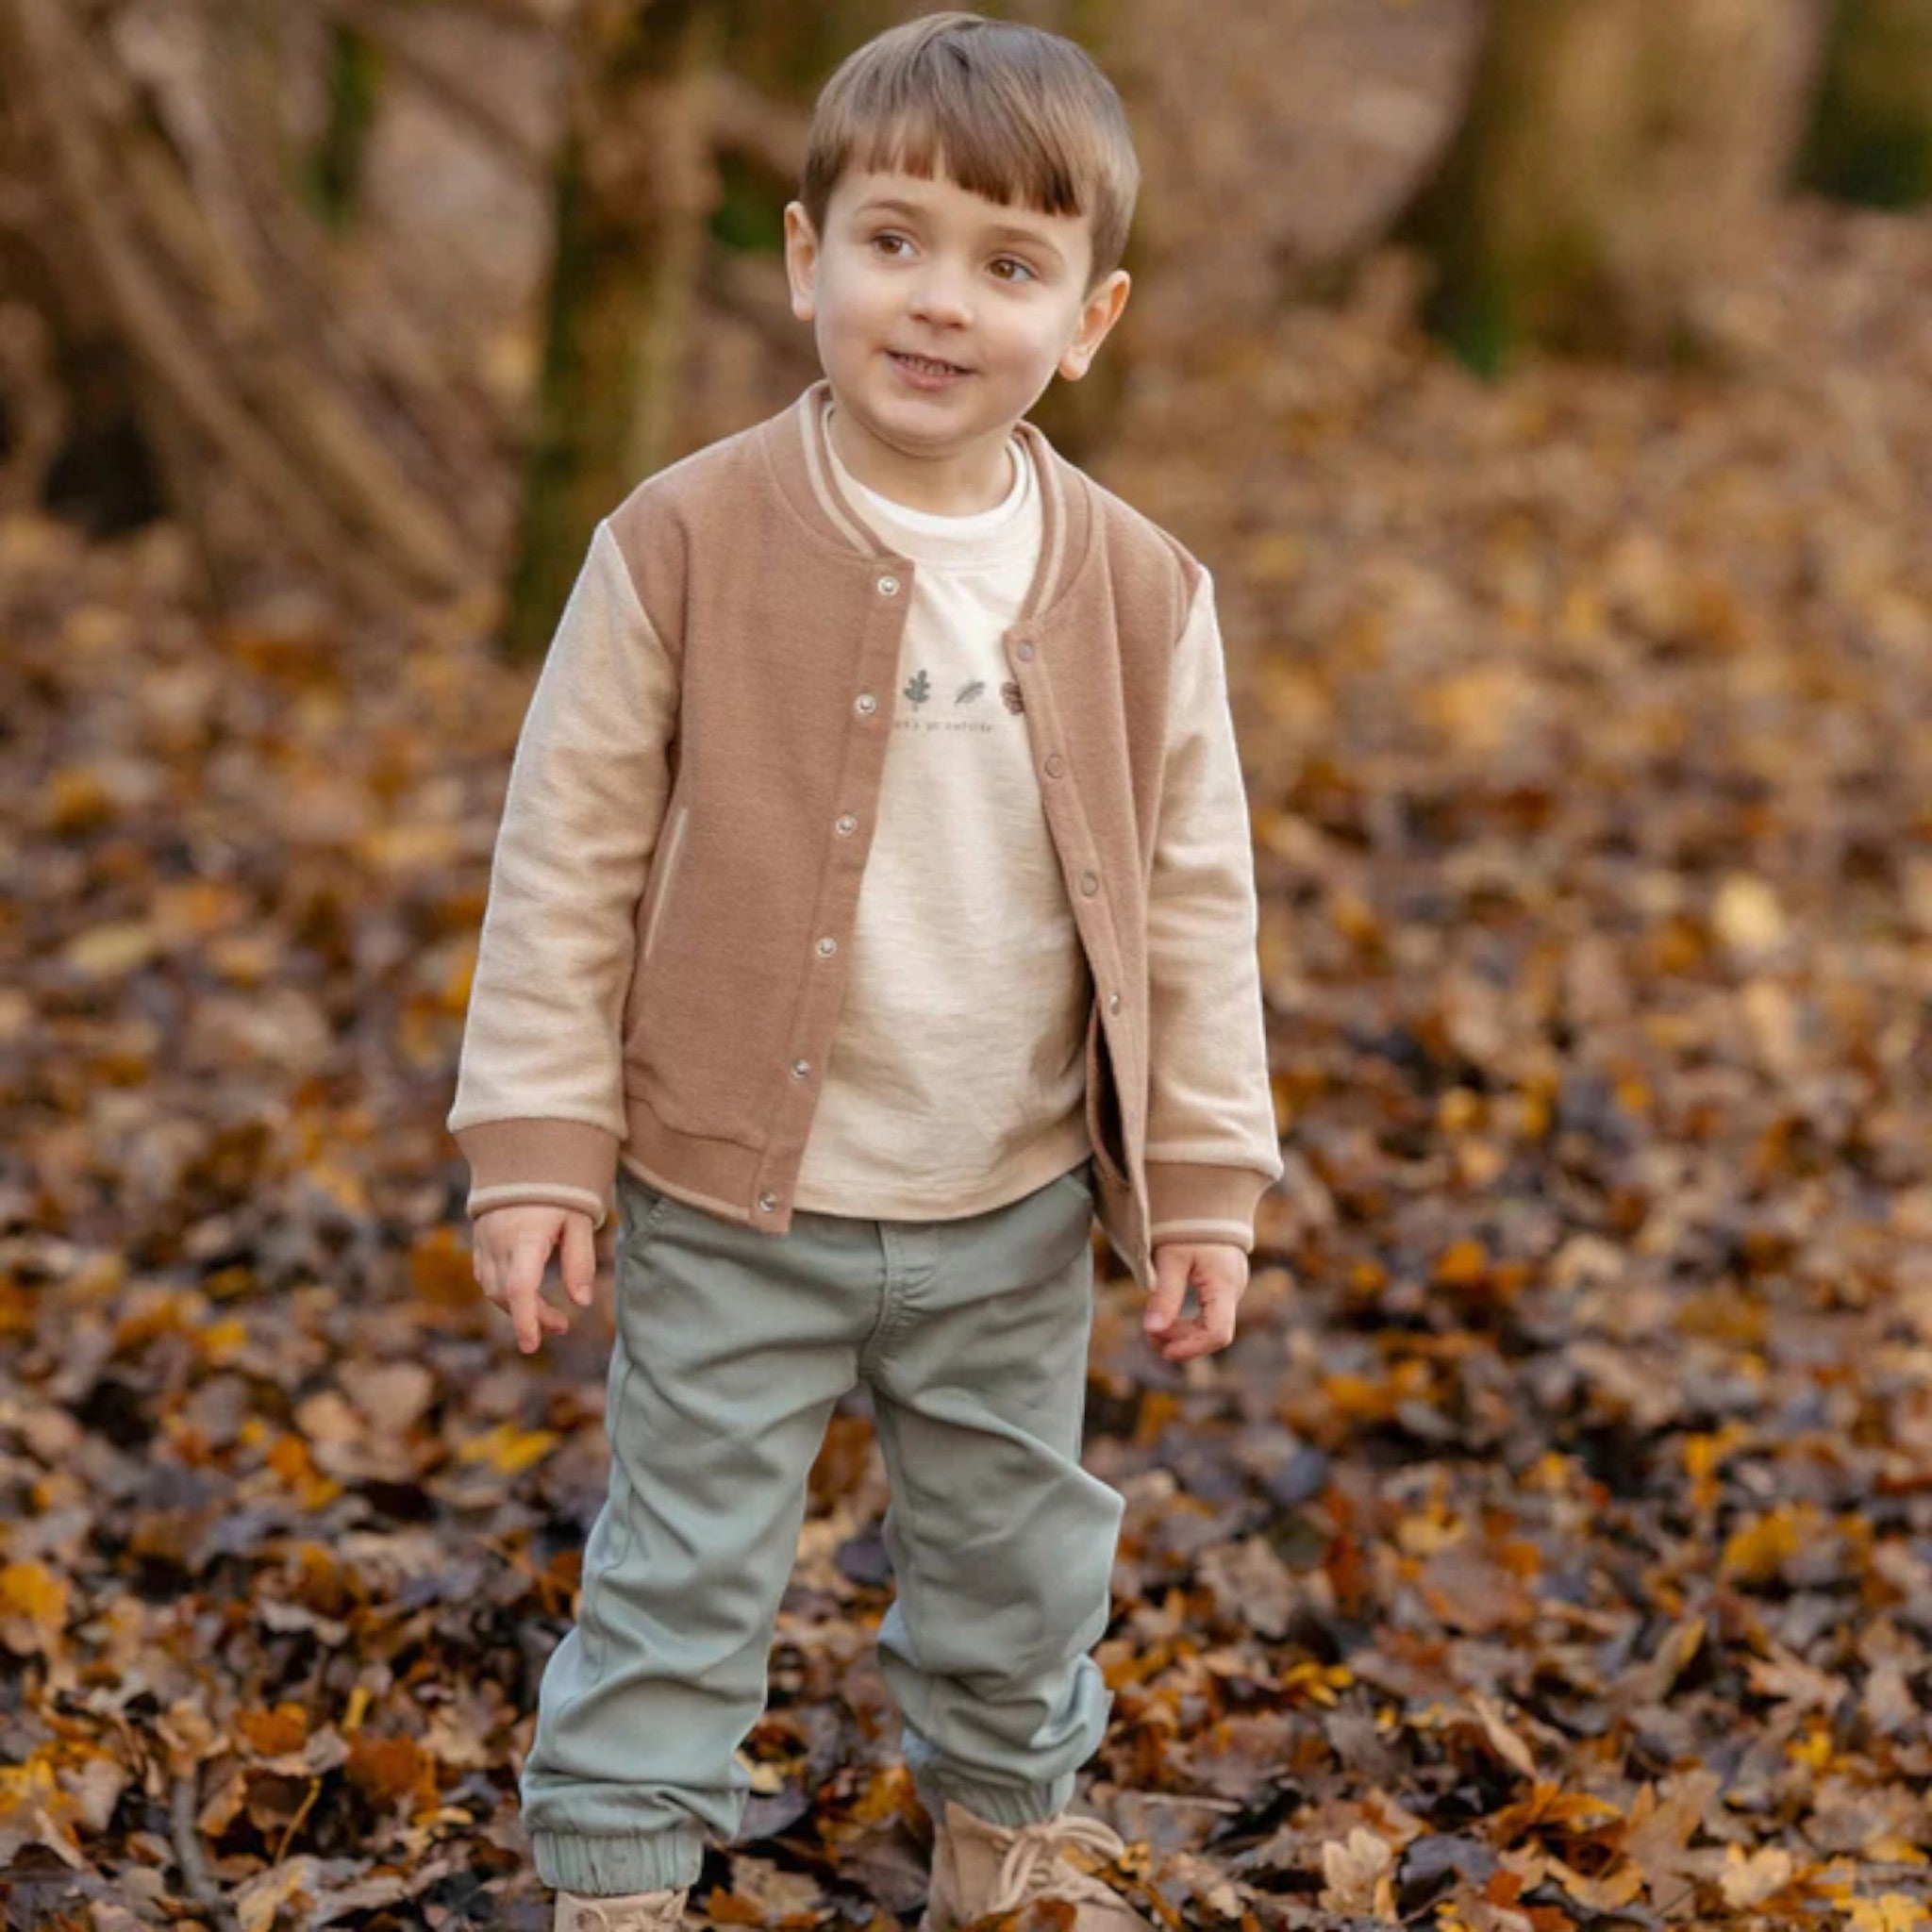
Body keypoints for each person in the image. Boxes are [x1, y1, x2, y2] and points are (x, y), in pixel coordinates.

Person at [445, 10, 1283, 1930]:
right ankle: (620, 1878)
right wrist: (538, 1146)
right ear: (806, 256)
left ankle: (1002, 1844)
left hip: (1004, 1199)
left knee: (1016, 1566)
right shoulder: (680, 541)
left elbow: (1192, 897)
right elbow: (563, 858)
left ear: (1089, 317)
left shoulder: (1143, 590)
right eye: (894, 240)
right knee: (682, 1563)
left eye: (1008, 265)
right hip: (730, 1187)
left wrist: (1204, 1178)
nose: (939, 302)